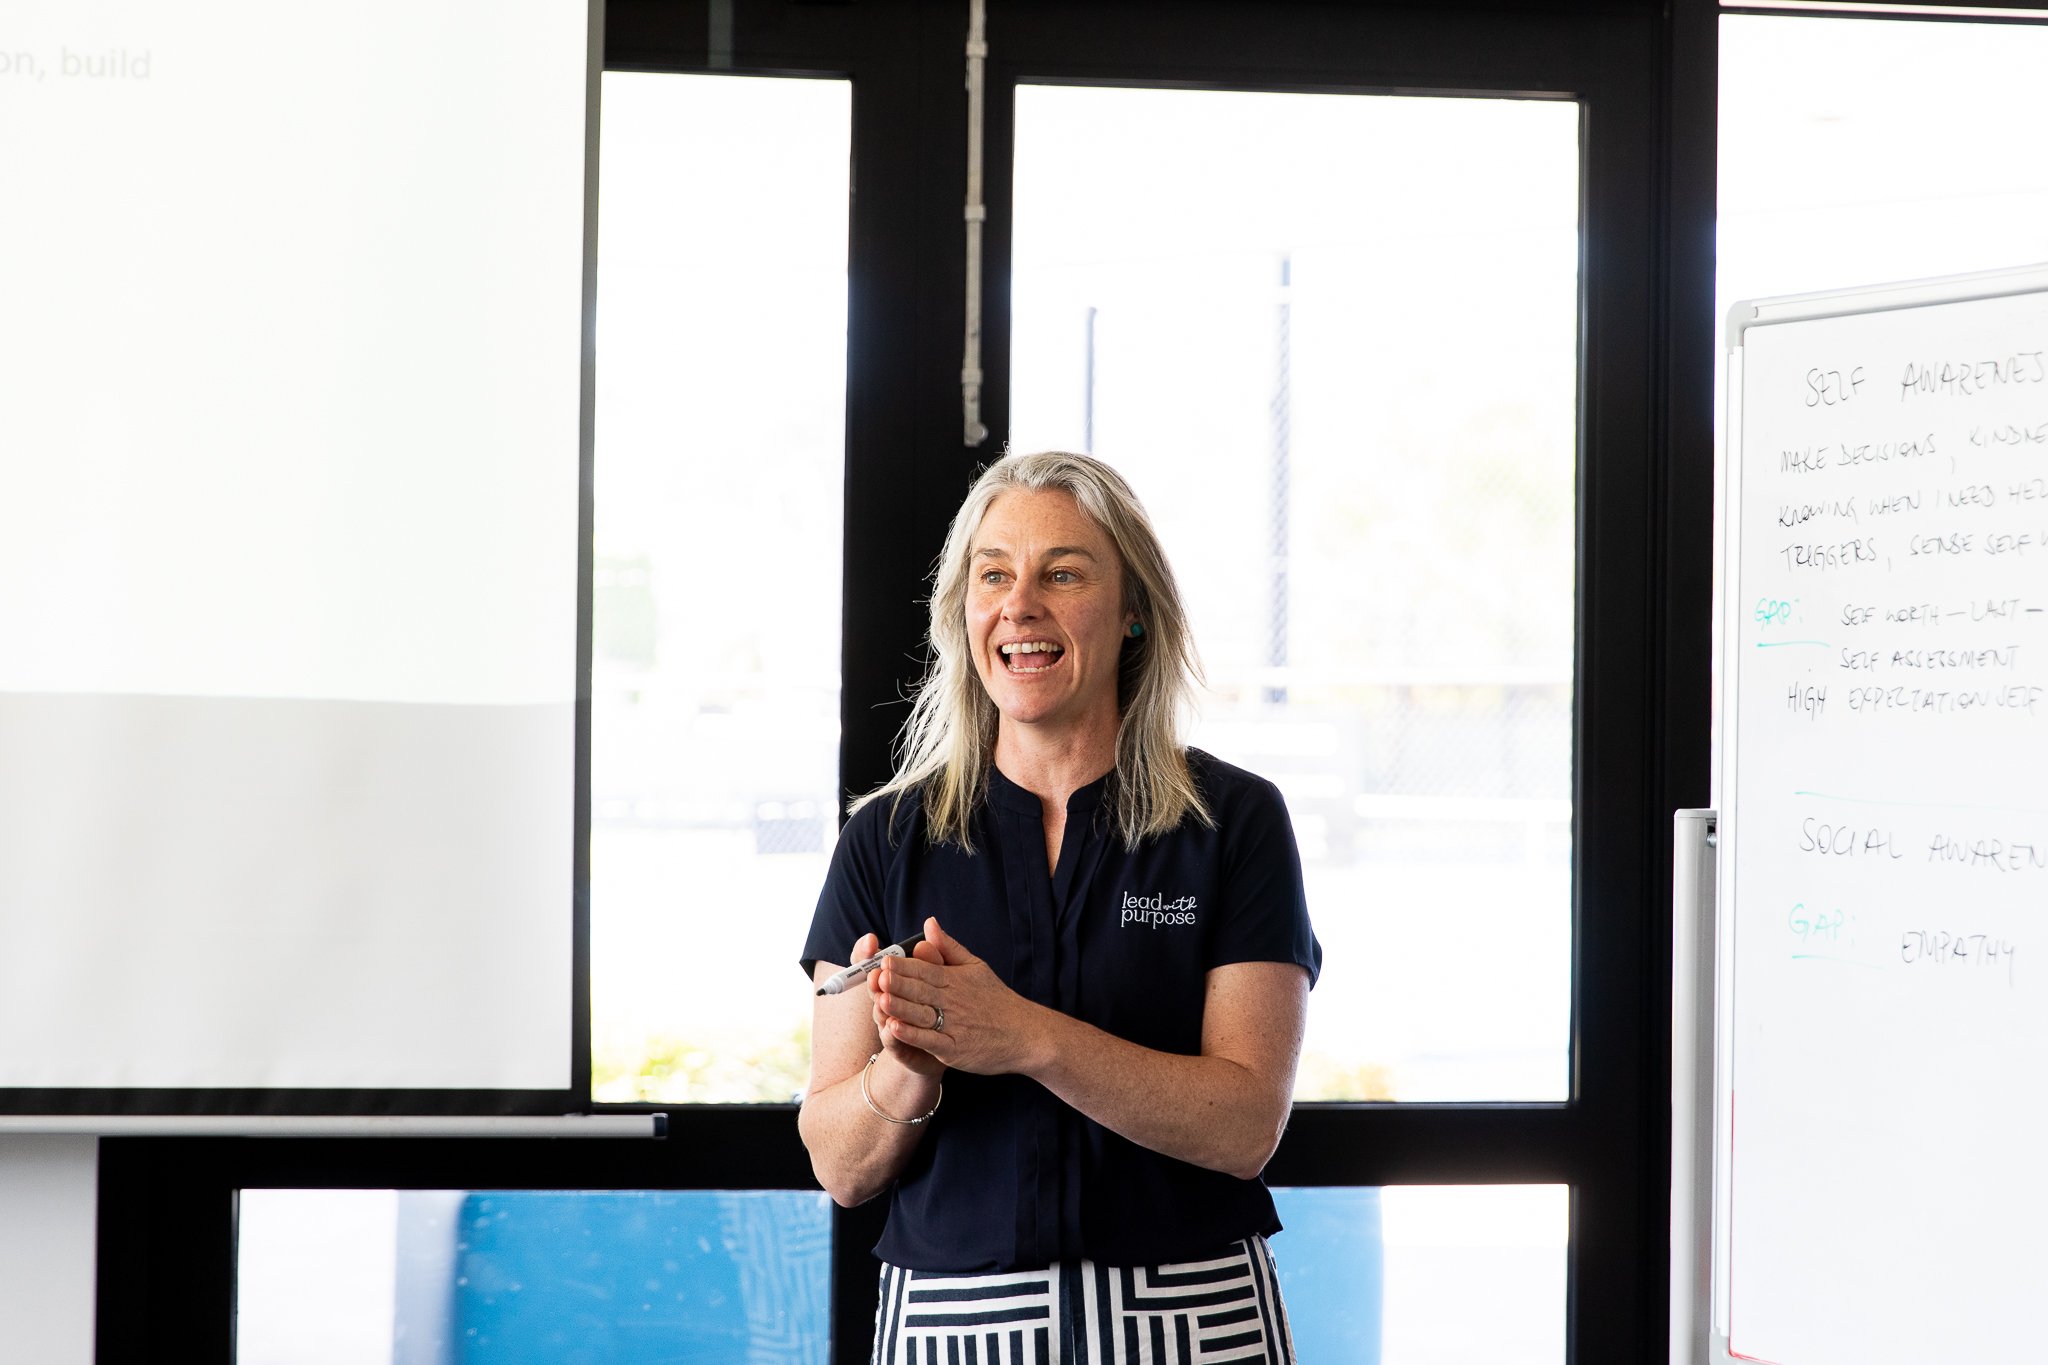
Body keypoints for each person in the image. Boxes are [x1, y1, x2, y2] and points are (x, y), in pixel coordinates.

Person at [799, 450, 1321, 1364]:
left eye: (1063, 572)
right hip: (951, 1325)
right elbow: (840, 1165)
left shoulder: (1233, 821)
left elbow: (1245, 1126)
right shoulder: (884, 840)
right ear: (964, 614)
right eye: (993, 574)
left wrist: (1022, 1034)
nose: (1020, 604)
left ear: (1132, 613)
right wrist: (910, 1068)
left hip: (1194, 1316)